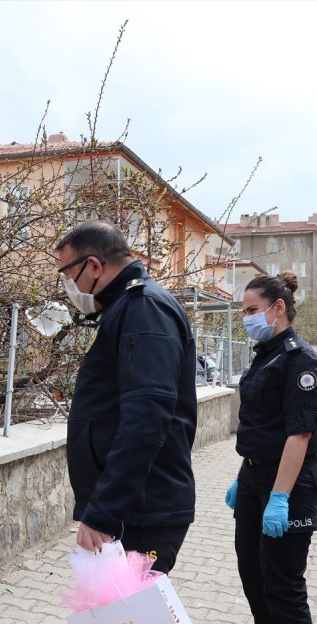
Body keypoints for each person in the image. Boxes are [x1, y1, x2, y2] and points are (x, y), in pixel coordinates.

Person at [56, 221, 197, 574]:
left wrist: (104, 512)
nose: (68, 286)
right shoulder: (127, 308)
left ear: (93, 266)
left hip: (140, 512)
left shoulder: (143, 308)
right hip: (133, 509)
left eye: (68, 275)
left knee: (134, 607)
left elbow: (146, 419)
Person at [225, 272, 317, 624]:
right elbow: (260, 426)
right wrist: (245, 475)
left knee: (283, 589)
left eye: (252, 310)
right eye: (243, 311)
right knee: (253, 579)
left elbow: (300, 435)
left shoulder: (301, 362)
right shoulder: (265, 356)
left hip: (291, 484)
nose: (245, 318)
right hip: (254, 478)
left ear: (278, 308)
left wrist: (279, 496)